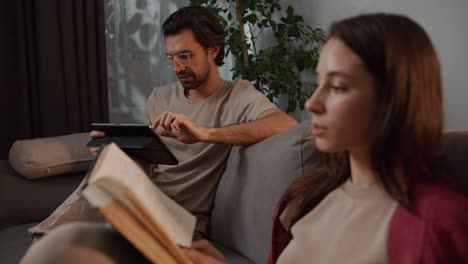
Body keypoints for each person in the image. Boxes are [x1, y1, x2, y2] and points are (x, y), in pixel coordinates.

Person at [183, 13, 468, 264]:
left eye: (338, 86)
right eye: (319, 83)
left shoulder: (436, 221)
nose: (311, 103)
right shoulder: (305, 195)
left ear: (394, 98)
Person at [20, 5, 296, 263]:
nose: (177, 67)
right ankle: (50, 240)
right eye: (171, 57)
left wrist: (204, 133)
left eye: (185, 55)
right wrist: (121, 147)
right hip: (138, 209)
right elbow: (148, 165)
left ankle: (47, 240)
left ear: (213, 50)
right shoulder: (160, 98)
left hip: (180, 224)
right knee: (110, 168)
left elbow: (284, 124)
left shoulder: (237, 95)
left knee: (70, 247)